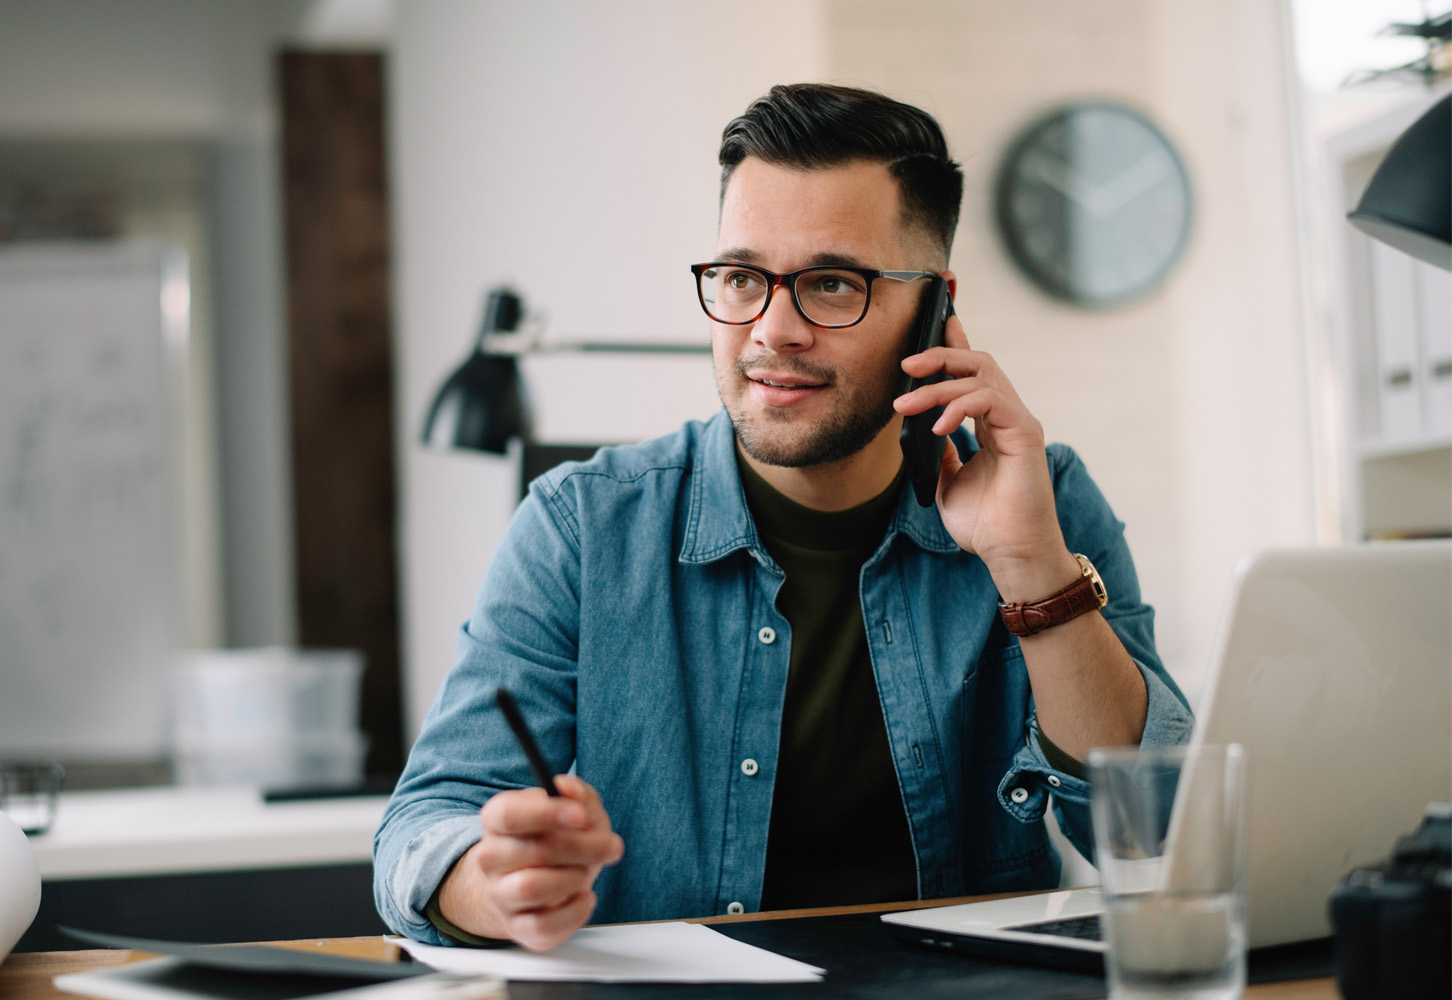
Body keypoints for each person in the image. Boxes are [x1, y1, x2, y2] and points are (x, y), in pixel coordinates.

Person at [374, 83, 1192, 951]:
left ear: (935, 306)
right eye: (740, 278)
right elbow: (422, 827)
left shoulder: (1045, 504)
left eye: (832, 284)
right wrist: (492, 883)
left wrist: (1030, 563)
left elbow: (1158, 839)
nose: (773, 330)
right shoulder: (583, 527)